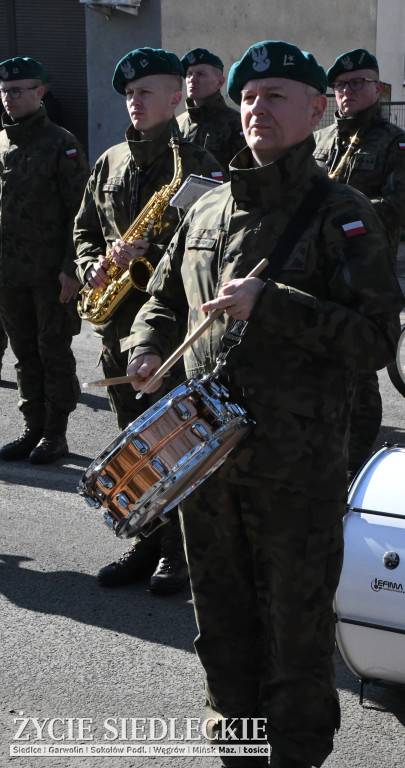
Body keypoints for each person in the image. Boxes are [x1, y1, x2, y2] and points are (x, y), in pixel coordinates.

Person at [124, 40, 405, 768]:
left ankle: (297, 757)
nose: (257, 109)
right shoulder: (207, 208)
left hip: (295, 472)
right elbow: (162, 301)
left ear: (316, 111)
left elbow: (376, 340)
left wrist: (273, 304)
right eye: (248, 97)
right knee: (221, 627)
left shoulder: (342, 213)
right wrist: (146, 349)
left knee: (296, 635)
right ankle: (238, 751)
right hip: (205, 467)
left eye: (276, 96)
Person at [74, 47, 224, 595]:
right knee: (131, 446)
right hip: (118, 325)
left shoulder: (202, 164)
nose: (135, 102)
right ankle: (147, 541)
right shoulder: (110, 160)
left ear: (175, 98)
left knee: (176, 445)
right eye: (130, 94)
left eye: (146, 92)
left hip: (172, 332)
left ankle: (181, 555)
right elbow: (84, 229)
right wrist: (92, 264)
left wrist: (149, 251)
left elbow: (210, 247)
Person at [314, 48, 405, 479]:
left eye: (357, 83)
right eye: (340, 85)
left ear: (377, 88)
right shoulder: (320, 140)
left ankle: (356, 468)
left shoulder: (395, 141)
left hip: (364, 275)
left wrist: (336, 213)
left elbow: (397, 207)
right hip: (316, 274)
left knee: (360, 372)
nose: (347, 91)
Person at [0, 57, 89, 464]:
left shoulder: (61, 143)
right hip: (9, 274)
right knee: (24, 354)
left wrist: (72, 268)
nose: (9, 98)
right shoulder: (3, 143)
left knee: (52, 351)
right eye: (4, 91)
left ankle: (56, 434)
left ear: (40, 92)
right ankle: (32, 427)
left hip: (50, 275)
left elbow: (81, 214)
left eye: (18, 90)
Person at [177, 47, 246, 173]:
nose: (192, 79)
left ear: (220, 82)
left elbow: (244, 173)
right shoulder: (177, 124)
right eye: (189, 74)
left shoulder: (237, 124)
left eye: (200, 74)